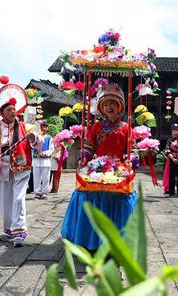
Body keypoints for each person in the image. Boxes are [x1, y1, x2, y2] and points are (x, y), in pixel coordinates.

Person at [61, 83, 137, 251]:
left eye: (112, 104)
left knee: (119, 197)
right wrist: (83, 159)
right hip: (97, 167)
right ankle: (90, 239)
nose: (109, 107)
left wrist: (132, 161)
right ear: (101, 108)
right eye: (105, 104)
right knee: (86, 193)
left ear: (120, 107)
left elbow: (132, 150)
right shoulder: (96, 127)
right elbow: (89, 148)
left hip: (118, 168)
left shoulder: (126, 128)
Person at [0, 98, 43, 247]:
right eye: (9, 110)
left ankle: (19, 231)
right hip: (1, 166)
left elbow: (39, 142)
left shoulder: (25, 126)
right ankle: (9, 229)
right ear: (2, 113)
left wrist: (33, 138)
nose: (13, 112)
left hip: (21, 166)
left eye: (14, 109)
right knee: (5, 200)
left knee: (19, 198)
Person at [163, 124, 178, 197]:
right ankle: (171, 192)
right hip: (172, 160)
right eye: (173, 131)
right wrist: (173, 159)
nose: (174, 133)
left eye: (175, 131)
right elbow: (167, 150)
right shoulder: (169, 141)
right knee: (171, 176)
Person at [32, 121, 54, 199]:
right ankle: (37, 192)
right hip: (36, 160)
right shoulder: (35, 137)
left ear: (47, 128)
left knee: (46, 177)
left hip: (46, 161)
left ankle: (45, 191)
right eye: (42, 127)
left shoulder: (49, 138)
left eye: (45, 127)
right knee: (36, 177)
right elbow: (32, 146)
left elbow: (51, 149)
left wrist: (44, 154)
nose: (44, 129)